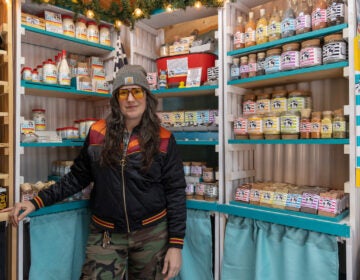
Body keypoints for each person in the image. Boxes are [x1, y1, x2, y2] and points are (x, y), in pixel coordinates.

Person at [1, 64, 187, 279]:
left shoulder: (163, 138)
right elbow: (77, 177)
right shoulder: (98, 133)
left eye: (137, 91)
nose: (130, 99)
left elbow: (175, 191)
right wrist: (35, 201)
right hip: (106, 233)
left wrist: (176, 245)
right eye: (123, 93)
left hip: (152, 233)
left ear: (147, 96)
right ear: (116, 99)